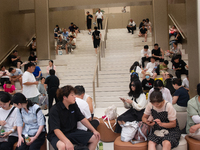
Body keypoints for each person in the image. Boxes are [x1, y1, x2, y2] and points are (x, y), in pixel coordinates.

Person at [47, 85, 100, 150]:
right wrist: (67, 141)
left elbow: (82, 118)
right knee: (62, 146)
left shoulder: (73, 105)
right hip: (56, 135)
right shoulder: (55, 110)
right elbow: (56, 130)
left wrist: (94, 130)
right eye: (72, 95)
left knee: (95, 137)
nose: (74, 97)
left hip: (72, 132)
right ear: (64, 97)